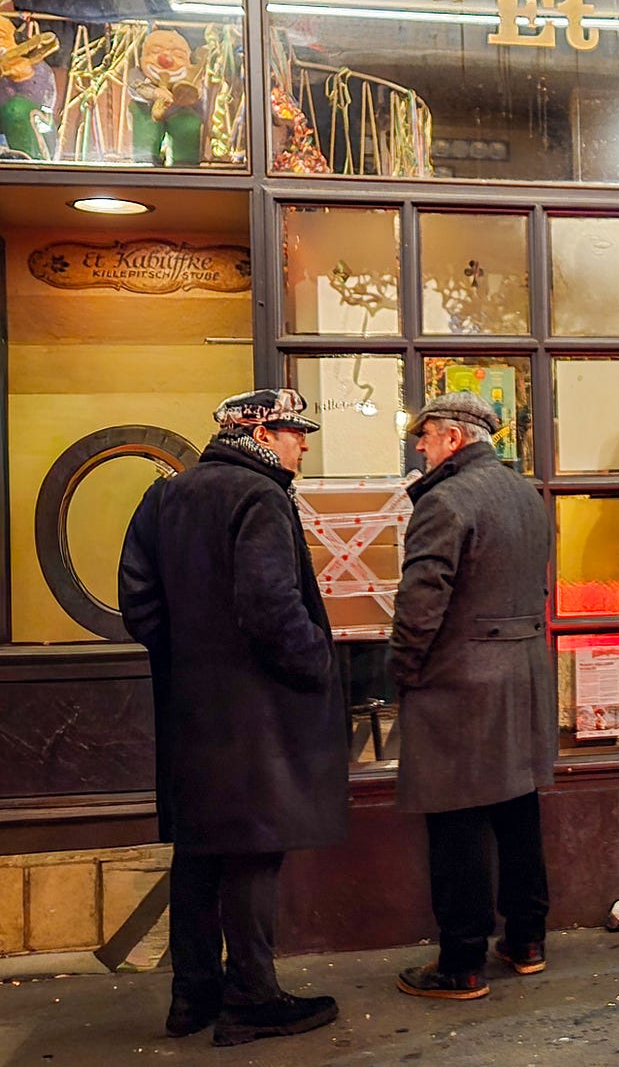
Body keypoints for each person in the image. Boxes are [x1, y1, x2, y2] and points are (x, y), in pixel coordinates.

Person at [118, 389, 346, 1046]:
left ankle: (192, 995)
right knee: (251, 851)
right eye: (295, 432)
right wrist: (316, 664)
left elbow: (137, 600)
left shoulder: (168, 495)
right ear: (263, 434)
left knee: (199, 849)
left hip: (191, 711)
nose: (303, 443)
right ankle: (252, 996)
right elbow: (271, 606)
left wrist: (186, 655)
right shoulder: (259, 497)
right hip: (258, 715)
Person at [390, 391, 556, 1001]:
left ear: (453, 439)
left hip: (459, 681)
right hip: (522, 674)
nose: (419, 447)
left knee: (456, 820)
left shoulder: (446, 500)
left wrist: (402, 670)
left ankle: (461, 962)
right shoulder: (526, 493)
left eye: (425, 436)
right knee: (517, 810)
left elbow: (420, 603)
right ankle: (527, 940)